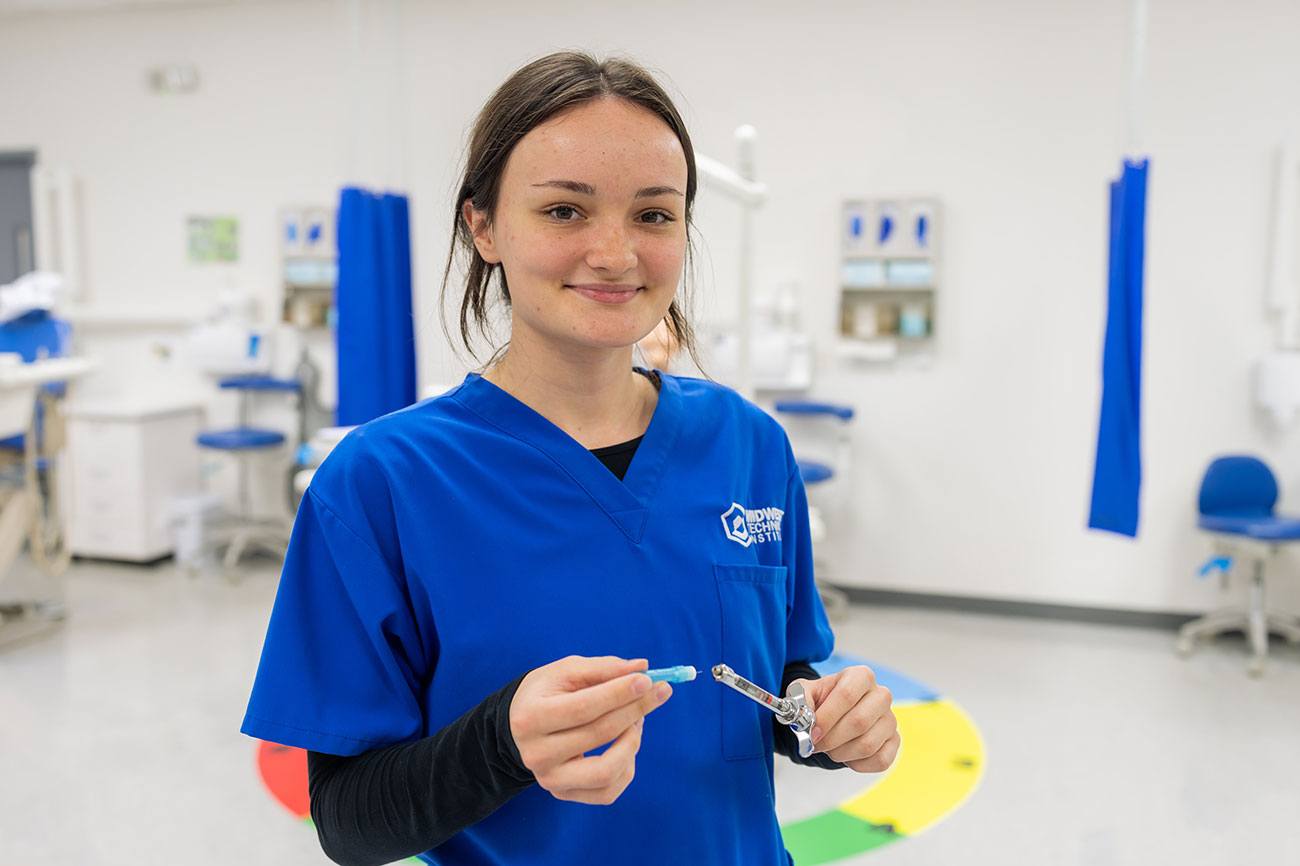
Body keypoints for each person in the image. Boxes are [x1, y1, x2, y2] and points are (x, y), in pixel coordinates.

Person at [241, 51, 899, 866]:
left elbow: (774, 677)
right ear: (484, 227)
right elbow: (348, 821)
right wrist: (501, 744)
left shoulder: (748, 446)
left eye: (653, 214)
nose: (616, 253)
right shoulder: (383, 484)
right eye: (564, 210)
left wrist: (823, 721)